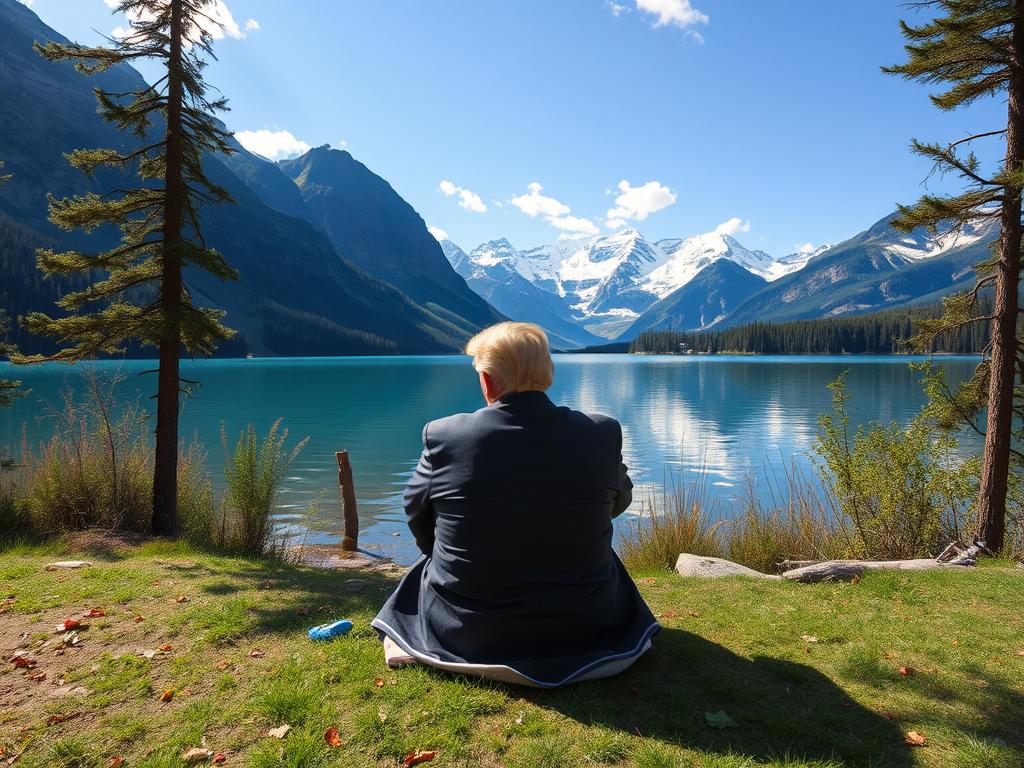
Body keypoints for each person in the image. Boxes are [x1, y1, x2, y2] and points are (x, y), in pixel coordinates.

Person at [371, 322, 659, 687]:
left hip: (470, 631)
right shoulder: (601, 433)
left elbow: (416, 511)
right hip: (585, 626)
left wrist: (443, 553)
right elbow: (618, 501)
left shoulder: (445, 436)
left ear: (488, 382)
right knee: (605, 559)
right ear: (547, 376)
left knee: (424, 571)